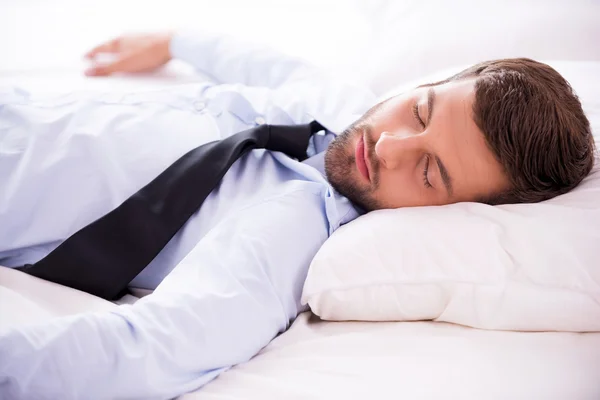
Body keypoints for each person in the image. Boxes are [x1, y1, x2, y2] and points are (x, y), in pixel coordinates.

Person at [0, 30, 594, 399]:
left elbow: (154, 350)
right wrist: (176, 41)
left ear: (455, 213)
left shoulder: (289, 237)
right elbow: (271, 65)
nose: (387, 147)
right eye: (419, 112)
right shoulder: (340, 107)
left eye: (430, 172)